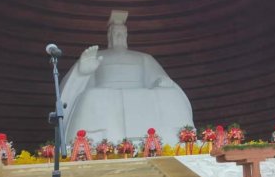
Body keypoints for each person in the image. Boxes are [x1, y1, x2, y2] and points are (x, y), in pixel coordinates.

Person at [60, 10, 194, 144]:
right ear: (109, 36)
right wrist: (82, 73)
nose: (119, 36)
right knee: (91, 95)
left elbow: (160, 79)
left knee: (170, 94)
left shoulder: (144, 58)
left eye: (122, 33)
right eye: (115, 33)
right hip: (106, 96)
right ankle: (91, 142)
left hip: (143, 95)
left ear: (126, 35)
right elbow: (67, 96)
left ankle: (179, 137)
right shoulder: (97, 57)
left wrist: (161, 82)